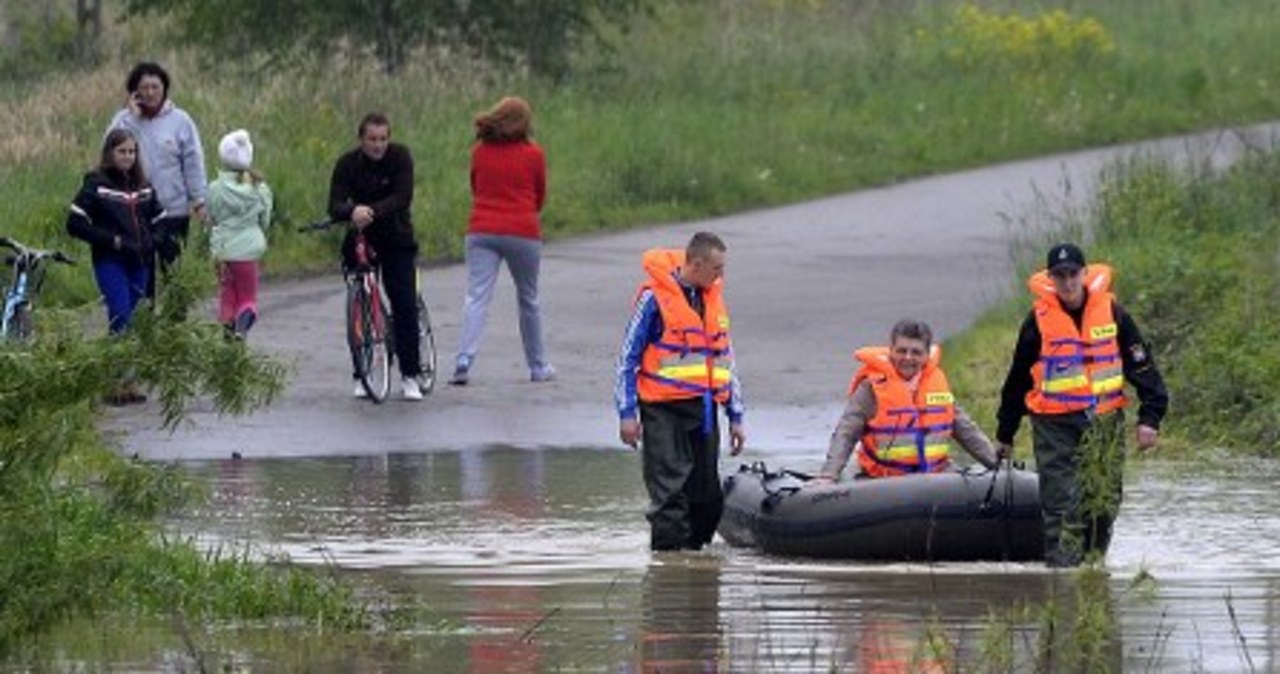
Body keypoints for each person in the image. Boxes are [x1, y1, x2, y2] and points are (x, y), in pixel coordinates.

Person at [996, 243, 1168, 568]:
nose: (1068, 282)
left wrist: (1150, 418)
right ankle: (1063, 582)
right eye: (1060, 276)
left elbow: (1142, 366)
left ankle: (1092, 571)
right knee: (1063, 503)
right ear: (1051, 279)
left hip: (1104, 423)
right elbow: (1018, 379)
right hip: (1053, 426)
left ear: (1084, 274)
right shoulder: (1037, 321)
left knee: (1103, 502)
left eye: (1073, 274)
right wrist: (1005, 434)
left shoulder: (1113, 312)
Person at [614, 232, 746, 552]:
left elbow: (725, 359)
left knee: (709, 499)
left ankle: (695, 567)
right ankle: (668, 575)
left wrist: (736, 415)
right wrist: (627, 414)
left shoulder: (712, 298)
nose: (721, 276)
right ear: (696, 264)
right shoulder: (653, 299)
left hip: (702, 408)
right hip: (661, 409)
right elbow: (626, 359)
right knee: (669, 497)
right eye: (717, 268)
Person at [449, 96, 554, 386]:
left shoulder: (479, 152)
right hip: (522, 230)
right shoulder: (534, 154)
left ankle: (464, 359)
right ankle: (537, 366)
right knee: (529, 298)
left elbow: (475, 186)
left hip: (482, 229)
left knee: (477, 296)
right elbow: (539, 195)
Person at [814, 319, 1000, 482]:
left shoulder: (937, 385)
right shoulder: (870, 389)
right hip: (882, 481)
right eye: (901, 351)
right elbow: (845, 433)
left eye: (916, 352)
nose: (908, 358)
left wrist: (997, 464)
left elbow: (966, 430)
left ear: (926, 355)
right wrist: (829, 475)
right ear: (891, 351)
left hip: (939, 478)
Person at [328, 112, 426, 401]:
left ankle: (410, 374)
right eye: (372, 139)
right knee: (359, 306)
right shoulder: (347, 164)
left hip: (396, 237)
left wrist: (371, 210)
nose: (378, 145)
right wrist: (350, 211)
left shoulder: (400, 157)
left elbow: (402, 196)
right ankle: (361, 372)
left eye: (383, 139)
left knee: (404, 303)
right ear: (361, 139)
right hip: (361, 239)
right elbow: (334, 203)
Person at [65, 129, 164, 404]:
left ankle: (129, 383)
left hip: (140, 262)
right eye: (122, 151)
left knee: (135, 320)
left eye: (132, 152)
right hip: (110, 261)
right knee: (120, 315)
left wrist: (151, 242)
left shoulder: (143, 187)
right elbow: (75, 224)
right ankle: (111, 383)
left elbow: (161, 221)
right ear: (110, 153)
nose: (128, 157)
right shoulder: (96, 184)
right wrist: (113, 241)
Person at [105, 61, 207, 299]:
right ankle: (145, 326)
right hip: (136, 211)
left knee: (174, 273)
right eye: (145, 88)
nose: (150, 93)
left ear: (164, 89)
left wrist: (199, 199)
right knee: (142, 276)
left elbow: (193, 161)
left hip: (173, 211)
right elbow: (110, 149)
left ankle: (175, 327)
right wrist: (131, 117)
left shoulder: (181, 121)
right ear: (135, 91)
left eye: (155, 87)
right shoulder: (124, 120)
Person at [207, 129, 272, 339]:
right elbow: (265, 220)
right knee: (248, 300)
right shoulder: (259, 189)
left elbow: (212, 217)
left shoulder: (215, 188)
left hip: (222, 251)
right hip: (247, 252)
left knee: (227, 297)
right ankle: (241, 331)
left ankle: (228, 342)